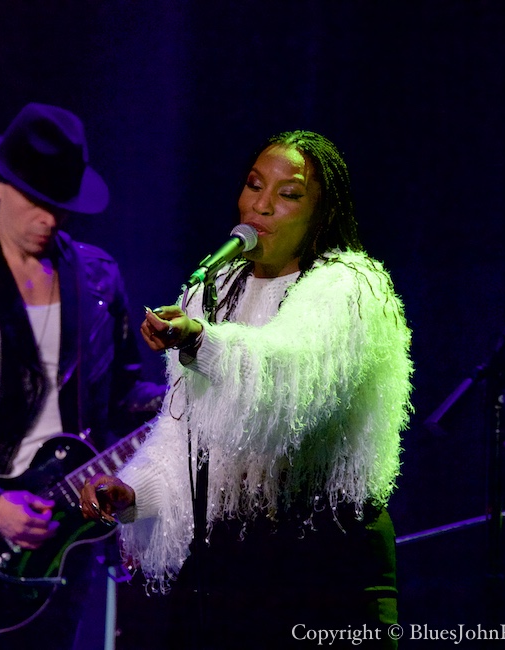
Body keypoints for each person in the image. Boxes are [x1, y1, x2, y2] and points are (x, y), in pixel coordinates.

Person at [81, 130, 414, 648]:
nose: (261, 204)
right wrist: (133, 491)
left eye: (289, 194)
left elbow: (287, 393)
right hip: (237, 571)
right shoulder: (213, 292)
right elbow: (184, 432)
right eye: (254, 185)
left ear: (320, 213)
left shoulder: (349, 288)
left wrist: (202, 343)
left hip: (326, 566)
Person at [0, 103, 162, 650]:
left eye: (59, 205)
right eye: (35, 200)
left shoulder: (97, 277)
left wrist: (184, 395)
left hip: (66, 531)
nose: (48, 218)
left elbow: (123, 395)